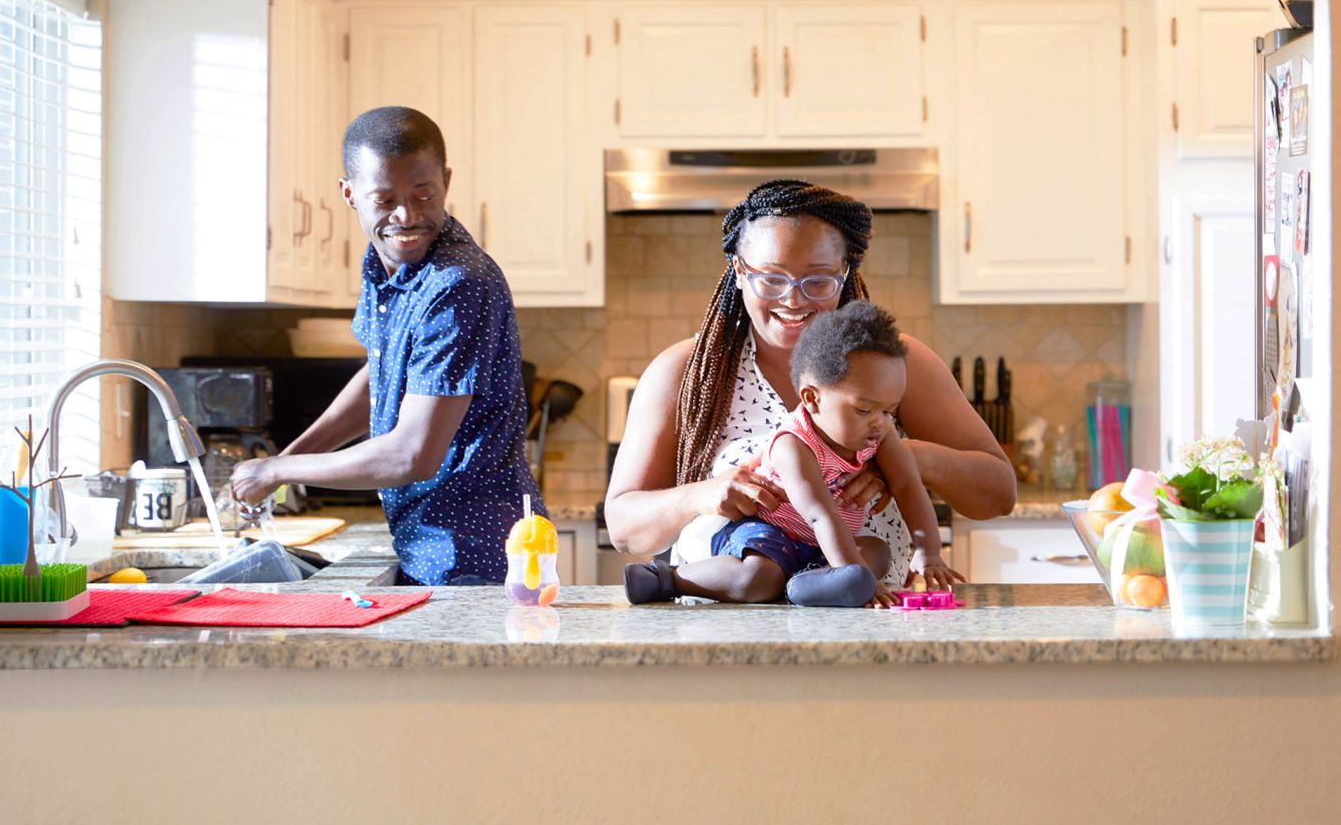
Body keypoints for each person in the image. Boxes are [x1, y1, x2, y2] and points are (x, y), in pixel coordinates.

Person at [603, 179, 1017, 582]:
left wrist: (903, 459)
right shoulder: (686, 371)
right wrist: (699, 495)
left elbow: (999, 494)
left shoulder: (895, 362)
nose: (794, 299)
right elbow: (623, 527)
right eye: (771, 278)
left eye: (818, 280)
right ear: (740, 271)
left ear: (844, 271)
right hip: (720, 630)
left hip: (868, 623)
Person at [230, 106, 543, 585]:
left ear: (447, 181)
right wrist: (285, 465)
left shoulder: (457, 284)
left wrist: (280, 468)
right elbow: (382, 375)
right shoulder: (388, 264)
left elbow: (412, 454)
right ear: (349, 194)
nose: (407, 216)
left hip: (475, 560)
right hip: (430, 547)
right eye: (385, 199)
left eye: (424, 194)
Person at [623, 301, 957, 607]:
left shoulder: (879, 434)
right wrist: (855, 574)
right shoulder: (792, 445)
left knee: (877, 553)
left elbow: (908, 486)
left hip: (822, 549)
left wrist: (929, 553)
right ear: (812, 399)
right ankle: (668, 579)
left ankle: (808, 587)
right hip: (768, 534)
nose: (880, 423)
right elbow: (819, 514)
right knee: (755, 579)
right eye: (865, 410)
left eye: (889, 411)